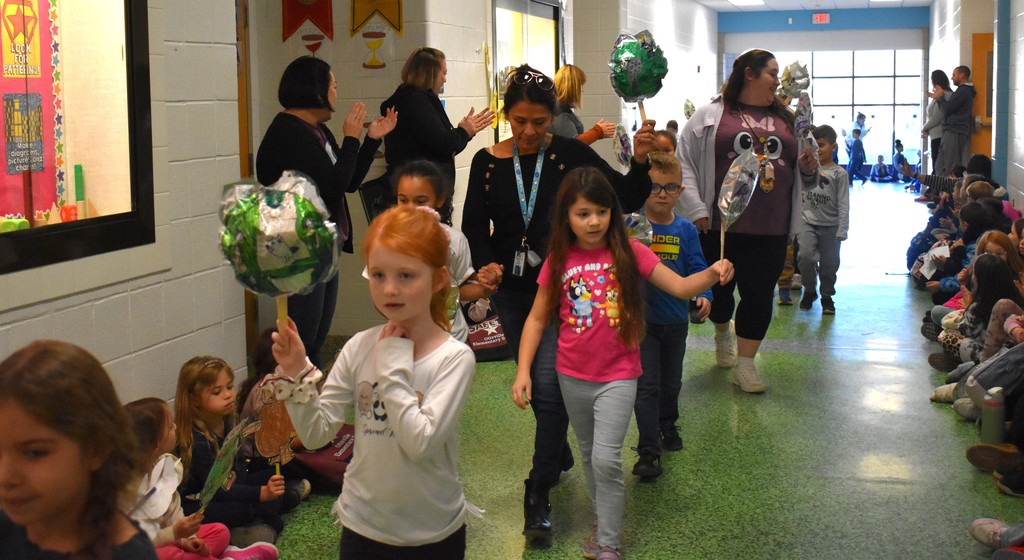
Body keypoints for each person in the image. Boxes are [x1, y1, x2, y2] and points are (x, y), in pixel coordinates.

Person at [461, 63, 657, 543]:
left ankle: (537, 487)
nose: (528, 132)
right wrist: (486, 266)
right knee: (542, 390)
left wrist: (642, 162)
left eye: (539, 123)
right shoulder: (487, 163)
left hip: (568, 290)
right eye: (520, 121)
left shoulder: (570, 153)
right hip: (513, 291)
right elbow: (473, 225)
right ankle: (559, 451)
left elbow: (625, 197)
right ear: (507, 115)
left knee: (547, 389)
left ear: (552, 119)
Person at [512, 168, 733, 560]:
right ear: (566, 217)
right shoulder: (559, 260)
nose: (594, 221)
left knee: (605, 458)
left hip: (618, 375)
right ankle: (603, 523)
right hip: (571, 374)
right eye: (583, 214)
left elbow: (680, 287)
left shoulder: (632, 253)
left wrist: (712, 275)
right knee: (587, 453)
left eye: (601, 211)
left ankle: (609, 543)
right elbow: (535, 318)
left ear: (613, 212)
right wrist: (523, 370)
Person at [270, 206, 477, 559]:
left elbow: (420, 442)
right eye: (378, 275)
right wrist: (296, 373)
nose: (390, 289)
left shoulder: (454, 358)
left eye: (406, 275)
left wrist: (393, 364)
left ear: (439, 278)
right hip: (363, 527)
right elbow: (317, 434)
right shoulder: (358, 346)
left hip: (433, 533)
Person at [674, 48, 819, 393]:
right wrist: (696, 209)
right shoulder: (710, 115)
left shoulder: (787, 118)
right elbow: (685, 163)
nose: (777, 80)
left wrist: (808, 167)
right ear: (749, 74)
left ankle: (746, 365)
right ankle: (722, 333)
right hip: (719, 225)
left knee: (758, 295)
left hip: (772, 224)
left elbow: (806, 168)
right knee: (720, 295)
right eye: (771, 72)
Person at [256, 55, 398, 369]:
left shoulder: (315, 129)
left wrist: (370, 140)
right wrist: (350, 137)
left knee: (317, 337)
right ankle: (291, 413)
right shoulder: (288, 133)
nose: (336, 92)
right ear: (314, 90)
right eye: (333, 85)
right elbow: (332, 187)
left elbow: (347, 182)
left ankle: (313, 410)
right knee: (302, 339)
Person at [0, 340, 158, 560]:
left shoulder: (130, 555)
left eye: (35, 453)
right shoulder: (8, 525)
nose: (5, 477)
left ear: (96, 449)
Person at [630, 152, 712, 480]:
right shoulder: (632, 225)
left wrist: (705, 294)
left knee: (671, 381)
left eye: (670, 187)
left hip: (676, 322)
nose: (662, 194)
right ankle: (648, 449)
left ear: (680, 191)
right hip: (642, 323)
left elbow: (697, 267)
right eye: (654, 187)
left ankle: (667, 422)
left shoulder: (686, 230)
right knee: (646, 385)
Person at [125, 397, 278, 560]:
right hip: (150, 546)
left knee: (220, 532)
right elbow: (140, 541)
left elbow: (174, 511)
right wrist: (175, 534)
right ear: (153, 443)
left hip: (173, 537)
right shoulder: (132, 488)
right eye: (170, 427)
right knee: (168, 554)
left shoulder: (165, 465)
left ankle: (215, 554)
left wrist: (188, 539)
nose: (175, 427)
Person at [175, 356, 298, 547]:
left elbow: (239, 474)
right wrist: (260, 494)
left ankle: (264, 512)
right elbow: (217, 490)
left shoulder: (227, 422)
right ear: (194, 401)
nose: (228, 395)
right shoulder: (197, 440)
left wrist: (263, 487)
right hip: (201, 503)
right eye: (217, 392)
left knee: (274, 475)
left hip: (231, 487)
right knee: (238, 508)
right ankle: (244, 527)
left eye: (230, 387)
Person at [390, 159, 503, 342]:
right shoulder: (387, 240)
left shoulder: (454, 240)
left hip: (452, 337)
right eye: (403, 200)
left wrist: (485, 289)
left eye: (420, 201)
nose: (411, 208)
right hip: (405, 339)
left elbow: (460, 289)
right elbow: (378, 293)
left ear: (440, 199)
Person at [380, 47, 494, 186]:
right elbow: (443, 144)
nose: (445, 79)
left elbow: (442, 148)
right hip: (418, 189)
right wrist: (463, 132)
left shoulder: (415, 99)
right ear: (431, 74)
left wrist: (465, 133)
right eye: (444, 73)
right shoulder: (415, 101)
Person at [798, 125, 850, 315]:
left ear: (833, 147)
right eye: (814, 146)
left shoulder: (840, 174)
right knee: (805, 258)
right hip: (807, 222)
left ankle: (827, 296)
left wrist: (842, 229)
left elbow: (844, 203)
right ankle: (810, 290)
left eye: (821, 145)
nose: (818, 150)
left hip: (831, 227)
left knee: (829, 265)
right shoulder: (806, 170)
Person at [551, 64, 617, 145]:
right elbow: (573, 145)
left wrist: (597, 132)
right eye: (580, 85)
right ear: (573, 87)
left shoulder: (560, 108)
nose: (582, 90)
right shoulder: (560, 111)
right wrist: (597, 131)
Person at [931, 65, 976, 177]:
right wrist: (938, 98)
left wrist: (941, 97)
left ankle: (951, 192)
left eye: (954, 75)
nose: (952, 78)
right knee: (939, 165)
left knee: (951, 165)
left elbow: (946, 109)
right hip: (950, 130)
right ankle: (941, 190)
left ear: (962, 75)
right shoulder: (961, 91)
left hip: (955, 130)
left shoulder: (964, 91)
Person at [921, 70, 952, 174]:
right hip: (935, 135)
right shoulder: (938, 95)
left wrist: (924, 128)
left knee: (938, 165)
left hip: (940, 135)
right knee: (935, 163)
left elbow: (936, 117)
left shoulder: (945, 95)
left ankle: (936, 188)